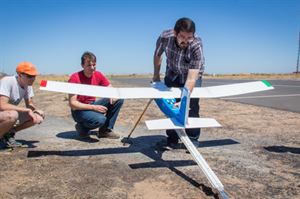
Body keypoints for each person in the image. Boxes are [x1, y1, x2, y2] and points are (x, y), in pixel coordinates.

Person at [153, 17, 205, 148]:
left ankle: (192, 140)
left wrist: (184, 99)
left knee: (191, 106)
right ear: (175, 33)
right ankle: (172, 139)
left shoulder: (196, 44)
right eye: (182, 37)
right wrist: (156, 76)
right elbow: (158, 55)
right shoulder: (165, 37)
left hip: (191, 74)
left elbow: (192, 78)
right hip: (172, 72)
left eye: (189, 38)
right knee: (171, 106)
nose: (186, 41)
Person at [68, 51, 124, 139]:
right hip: (79, 110)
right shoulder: (74, 78)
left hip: (92, 105)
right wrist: (94, 108)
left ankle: (105, 131)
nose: (92, 68)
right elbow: (73, 104)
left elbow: (110, 88)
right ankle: (82, 128)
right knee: (101, 120)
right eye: (89, 65)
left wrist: (113, 95)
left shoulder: (98, 74)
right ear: (82, 65)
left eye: (94, 65)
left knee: (119, 99)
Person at [0, 62, 44, 149]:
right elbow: (2, 105)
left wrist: (36, 110)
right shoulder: (8, 81)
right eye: (29, 76)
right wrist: (27, 110)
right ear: (20, 75)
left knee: (38, 117)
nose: (32, 79)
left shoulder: (28, 85)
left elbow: (29, 104)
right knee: (12, 115)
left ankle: (9, 134)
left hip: (4, 114)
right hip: (4, 113)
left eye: (34, 76)